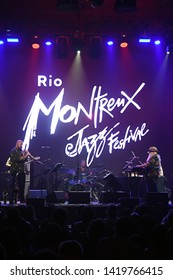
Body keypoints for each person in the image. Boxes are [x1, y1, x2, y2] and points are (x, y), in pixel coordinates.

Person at [9, 139, 31, 204]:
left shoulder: (21, 151)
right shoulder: (13, 151)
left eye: (22, 144)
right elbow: (19, 159)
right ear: (17, 143)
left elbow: (23, 159)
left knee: (22, 186)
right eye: (21, 144)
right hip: (15, 171)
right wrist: (26, 156)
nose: (21, 146)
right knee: (13, 186)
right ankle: (11, 200)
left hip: (21, 170)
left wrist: (27, 155)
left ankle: (22, 199)